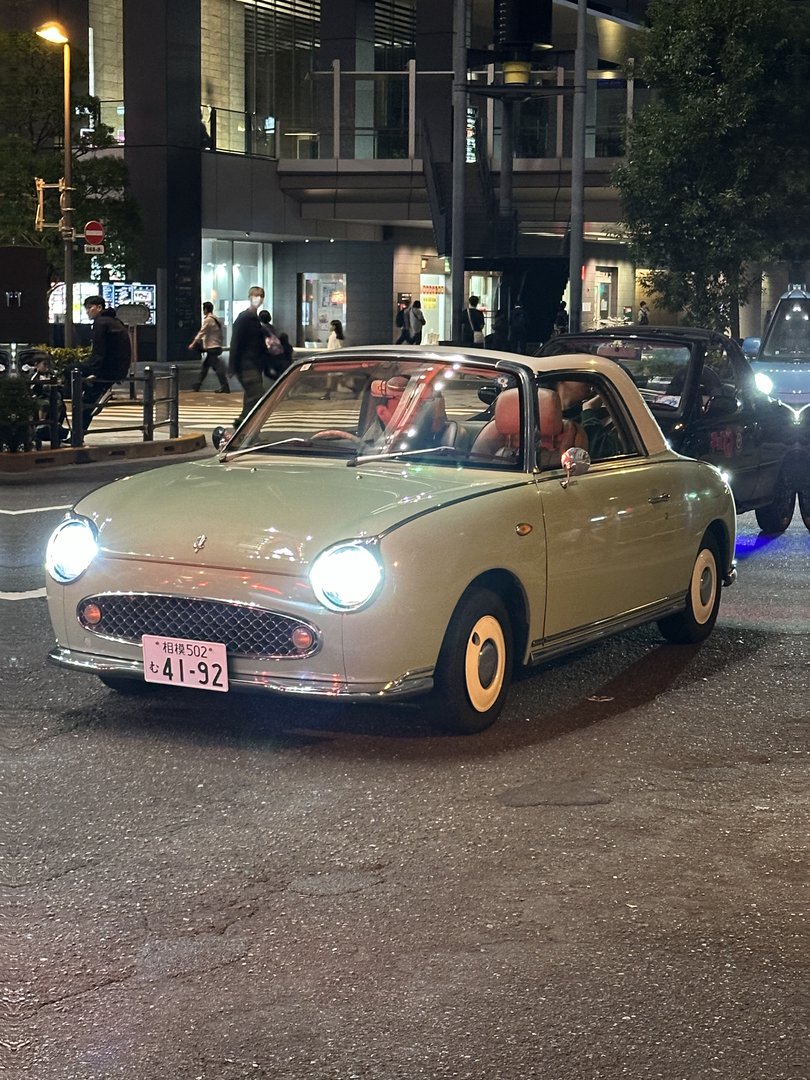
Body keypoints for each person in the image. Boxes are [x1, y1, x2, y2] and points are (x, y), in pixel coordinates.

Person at [79, 296, 132, 433]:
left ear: (99, 307)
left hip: (106, 368)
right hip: (117, 368)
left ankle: (77, 433)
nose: (88, 311)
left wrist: (91, 369)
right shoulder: (115, 321)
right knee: (87, 400)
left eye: (90, 308)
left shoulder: (100, 323)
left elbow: (98, 352)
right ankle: (78, 433)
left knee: (69, 371)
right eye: (87, 308)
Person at [229, 285, 268, 423]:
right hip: (247, 366)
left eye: (260, 297)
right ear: (250, 298)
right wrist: (232, 367)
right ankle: (242, 426)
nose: (258, 299)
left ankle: (243, 428)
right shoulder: (244, 318)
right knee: (257, 397)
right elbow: (236, 342)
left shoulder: (255, 319)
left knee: (252, 398)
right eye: (255, 296)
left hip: (254, 365)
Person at [189, 301, 228, 392]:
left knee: (216, 368)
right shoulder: (216, 319)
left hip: (212, 347)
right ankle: (198, 385)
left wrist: (193, 343)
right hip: (216, 346)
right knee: (206, 367)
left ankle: (225, 386)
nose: (203, 311)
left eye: (203, 309)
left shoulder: (208, 320)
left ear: (206, 309)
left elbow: (201, 332)